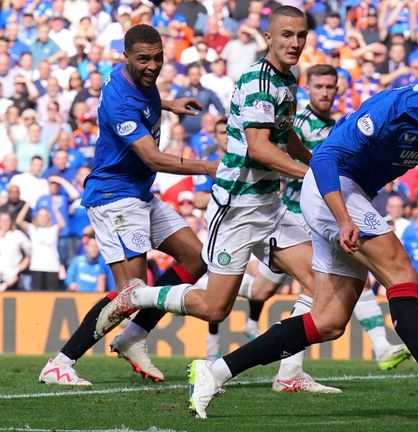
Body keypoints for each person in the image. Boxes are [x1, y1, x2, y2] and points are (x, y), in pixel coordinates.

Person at [187, 65, 418, 420]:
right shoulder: (394, 110)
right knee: (400, 272)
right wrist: (343, 218)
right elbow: (323, 158)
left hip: (350, 194)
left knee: (328, 322)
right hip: (331, 188)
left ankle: (214, 373)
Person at [98, 7, 339, 394]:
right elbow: (260, 149)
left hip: (269, 204)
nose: (295, 43)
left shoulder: (288, 78)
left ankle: (289, 374)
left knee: (317, 280)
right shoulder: (259, 82)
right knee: (214, 308)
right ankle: (137, 294)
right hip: (238, 207)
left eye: (301, 35)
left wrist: (317, 162)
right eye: (286, 35)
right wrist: (315, 176)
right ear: (268, 37)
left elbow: (284, 134)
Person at [38, 24, 217, 387]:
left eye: (158, 57)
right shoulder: (120, 100)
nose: (152, 66)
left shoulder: (130, 80)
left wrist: (167, 103)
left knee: (196, 258)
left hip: (139, 193)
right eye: (143, 59)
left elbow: (143, 97)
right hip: (113, 197)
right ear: (126, 57)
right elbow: (154, 158)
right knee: (131, 290)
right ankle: (60, 362)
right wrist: (211, 166)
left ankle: (133, 337)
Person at [207, 64, 412, 377]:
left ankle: (292, 371)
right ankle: (374, 345)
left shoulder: (337, 125)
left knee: (323, 284)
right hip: (294, 214)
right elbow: (274, 150)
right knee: (303, 286)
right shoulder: (298, 122)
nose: (325, 93)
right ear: (309, 89)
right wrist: (317, 174)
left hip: (319, 217)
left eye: (331, 87)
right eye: (319, 87)